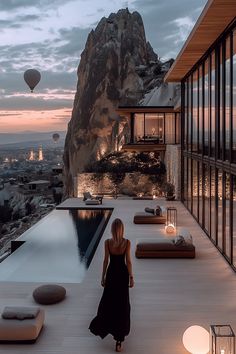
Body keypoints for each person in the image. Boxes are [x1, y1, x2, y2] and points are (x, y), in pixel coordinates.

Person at [89, 218, 134, 352]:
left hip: (112, 274)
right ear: (122, 229)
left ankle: (106, 326)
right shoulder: (127, 243)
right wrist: (131, 277)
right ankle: (119, 340)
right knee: (122, 304)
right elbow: (129, 262)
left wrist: (102, 277)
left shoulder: (107, 243)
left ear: (112, 230)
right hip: (122, 275)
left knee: (109, 303)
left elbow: (105, 261)